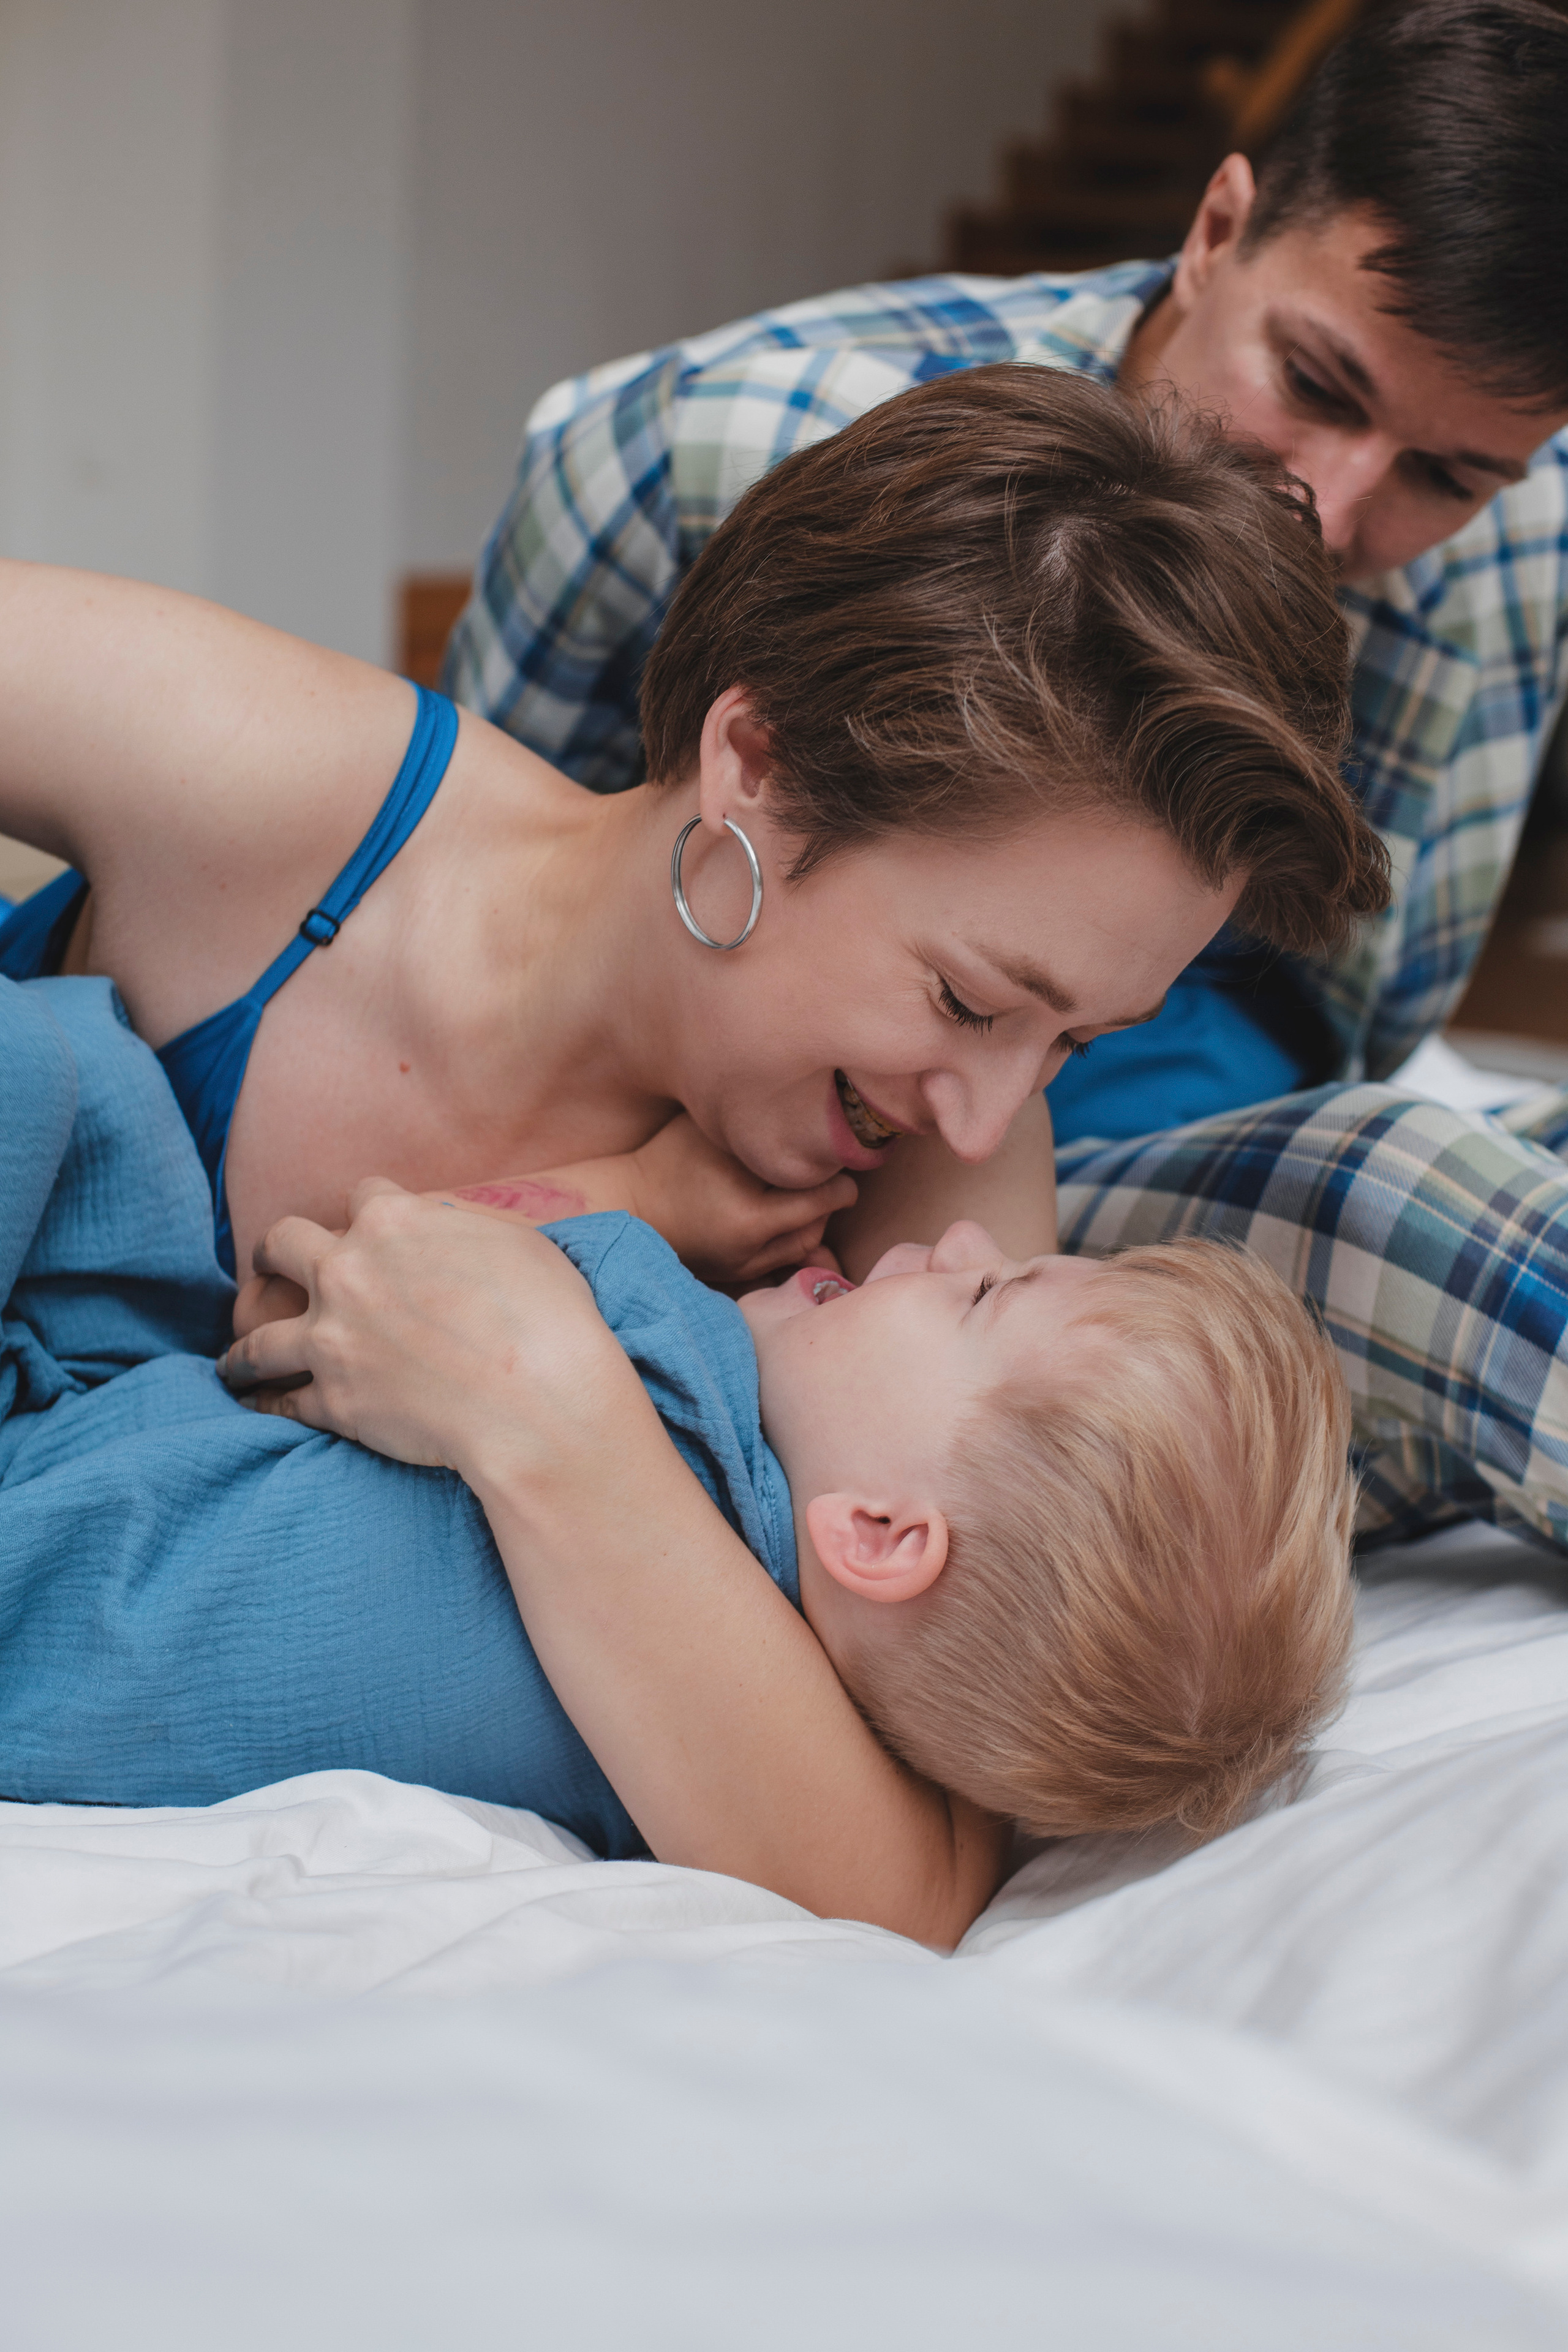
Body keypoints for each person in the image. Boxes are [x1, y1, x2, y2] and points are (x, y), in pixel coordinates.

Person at [0, 363, 1372, 1939]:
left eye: (1073, 1043)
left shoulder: (920, 1192)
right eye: (966, 998)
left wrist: (554, 1424)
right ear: (757, 765)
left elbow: (912, 1881)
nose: (988, 1121)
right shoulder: (287, 789)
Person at [442, 0, 1568, 1546]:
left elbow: (1364, 1025)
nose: (1332, 505)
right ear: (1215, 227)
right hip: (846, 1163)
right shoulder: (701, 452)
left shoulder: (1521, 546)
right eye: (1315, 384)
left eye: (1447, 476)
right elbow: (481, 915)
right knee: (1415, 1209)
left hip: (1219, 1094)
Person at [0, 972, 1353, 1920]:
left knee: (58, 1080)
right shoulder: (688, 1779)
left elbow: (344, 1276)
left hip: (66, 1517)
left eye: (985, 1295)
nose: (951, 1243)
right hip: (86, 1556)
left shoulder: (663, 1348)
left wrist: (639, 1197)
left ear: (880, 1534)